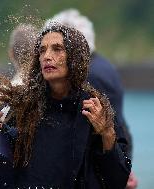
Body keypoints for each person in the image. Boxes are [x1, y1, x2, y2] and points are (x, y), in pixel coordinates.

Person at [0, 23, 131, 188]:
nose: (47, 56)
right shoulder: (22, 106)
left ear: (75, 56)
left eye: (57, 49)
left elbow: (117, 180)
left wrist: (107, 134)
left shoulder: (96, 110)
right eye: (42, 50)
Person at [44, 8, 138, 188]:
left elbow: (101, 129)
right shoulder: (103, 66)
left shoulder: (89, 76)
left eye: (57, 46)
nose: (49, 55)